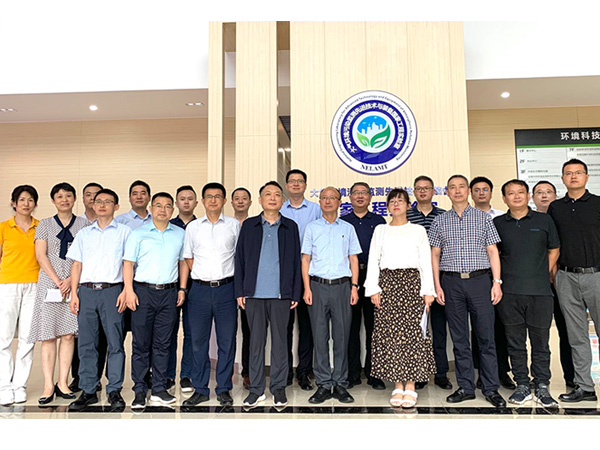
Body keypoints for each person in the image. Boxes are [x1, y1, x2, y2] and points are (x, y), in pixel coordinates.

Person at [429, 174, 506, 407]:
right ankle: (465, 387)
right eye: (452, 187)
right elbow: (435, 255)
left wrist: (497, 282)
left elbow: (493, 251)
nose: (457, 190)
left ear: (468, 190)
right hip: (451, 283)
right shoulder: (439, 221)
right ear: (447, 192)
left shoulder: (483, 218)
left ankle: (491, 388)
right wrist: (437, 285)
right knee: (460, 338)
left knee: (486, 337)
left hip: (480, 281)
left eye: (462, 186)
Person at [364, 188, 436, 408]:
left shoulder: (418, 230)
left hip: (412, 284)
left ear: (407, 205)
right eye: (392, 201)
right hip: (387, 285)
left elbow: (425, 261)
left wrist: (428, 291)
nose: (396, 204)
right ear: (387, 206)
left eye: (400, 201)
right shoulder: (381, 230)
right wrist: (373, 288)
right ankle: (397, 384)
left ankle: (411, 385)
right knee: (390, 335)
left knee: (413, 335)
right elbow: (374, 259)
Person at [494, 179, 560, 407]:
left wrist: (543, 272)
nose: (516, 196)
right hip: (509, 293)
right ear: (504, 198)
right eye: (511, 193)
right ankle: (522, 384)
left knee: (541, 342)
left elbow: (554, 249)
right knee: (515, 343)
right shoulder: (497, 223)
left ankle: (542, 385)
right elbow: (494, 255)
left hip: (540, 292)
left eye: (520, 192)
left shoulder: (544, 220)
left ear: (528, 195)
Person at [235, 181, 302, 408]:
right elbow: (239, 259)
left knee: (281, 343)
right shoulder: (249, 225)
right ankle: (256, 389)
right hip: (253, 294)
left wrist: (295, 292)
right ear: (260, 200)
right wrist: (240, 291)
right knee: (255, 343)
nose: (272, 198)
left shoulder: (290, 226)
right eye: (268, 194)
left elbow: (296, 262)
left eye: (277, 195)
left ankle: (278, 387)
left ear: (282, 201)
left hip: (282, 295)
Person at [67, 188, 131, 411]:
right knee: (86, 343)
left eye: (108, 201)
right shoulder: (84, 234)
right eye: (98, 201)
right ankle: (88, 389)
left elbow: (128, 264)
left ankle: (114, 389)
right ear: (93, 206)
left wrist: (126, 290)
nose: (102, 205)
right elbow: (77, 265)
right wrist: (74, 294)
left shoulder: (125, 232)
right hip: (86, 292)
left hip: (113, 291)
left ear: (116, 206)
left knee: (115, 343)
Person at [27, 183, 90, 405]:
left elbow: (85, 256)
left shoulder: (84, 225)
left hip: (74, 283)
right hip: (49, 283)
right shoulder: (44, 224)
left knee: (68, 334)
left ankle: (63, 383)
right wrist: (57, 281)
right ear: (53, 200)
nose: (64, 200)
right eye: (60, 196)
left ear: (74, 199)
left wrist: (70, 281)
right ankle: (48, 385)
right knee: (48, 335)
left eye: (68, 196)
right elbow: (41, 255)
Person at [123, 192, 187, 409]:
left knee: (163, 343)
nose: (163, 209)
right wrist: (129, 291)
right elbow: (128, 264)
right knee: (141, 344)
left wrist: (182, 288)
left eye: (167, 206)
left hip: (169, 293)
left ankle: (159, 388)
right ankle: (140, 390)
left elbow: (183, 263)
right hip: (143, 292)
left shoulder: (179, 234)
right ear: (151, 208)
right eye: (158, 205)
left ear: (172, 210)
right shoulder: (138, 234)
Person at [182, 182, 241, 407]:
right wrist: (204, 275)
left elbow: (239, 257)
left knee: (227, 341)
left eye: (218, 196)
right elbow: (188, 257)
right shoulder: (193, 227)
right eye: (209, 196)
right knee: (198, 341)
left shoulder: (234, 225)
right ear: (203, 201)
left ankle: (224, 388)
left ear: (224, 201)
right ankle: (200, 388)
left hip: (227, 289)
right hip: (199, 290)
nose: (213, 200)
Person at [302, 186, 361, 404]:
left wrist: (354, 287)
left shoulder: (348, 228)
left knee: (341, 337)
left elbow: (353, 259)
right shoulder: (311, 228)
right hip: (317, 286)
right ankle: (324, 384)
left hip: (342, 287)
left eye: (332, 198)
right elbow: (305, 259)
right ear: (320, 202)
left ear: (339, 202)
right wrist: (307, 288)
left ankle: (341, 383)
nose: (328, 201)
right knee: (319, 337)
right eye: (324, 198)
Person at [548, 159, 600, 402]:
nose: (573, 176)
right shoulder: (556, 208)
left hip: (597, 275)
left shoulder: (598, 203)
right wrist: (554, 273)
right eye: (568, 173)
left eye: (578, 172)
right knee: (576, 335)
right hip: (567, 277)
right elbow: (552, 244)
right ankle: (584, 387)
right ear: (562, 179)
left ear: (587, 177)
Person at [406, 175, 452, 391]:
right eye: (418, 188)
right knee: (417, 328)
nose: (423, 191)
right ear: (413, 192)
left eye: (427, 188)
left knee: (439, 328)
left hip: (440, 277)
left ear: (434, 191)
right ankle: (419, 372)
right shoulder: (405, 215)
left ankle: (441, 373)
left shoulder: (444, 215)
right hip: (413, 279)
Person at [470, 175, 514, 390]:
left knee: (500, 326)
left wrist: (498, 280)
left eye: (485, 189)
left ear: (491, 192)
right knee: (479, 328)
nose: (481, 193)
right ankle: (483, 373)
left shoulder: (501, 218)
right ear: (471, 194)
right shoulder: (466, 217)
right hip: (476, 278)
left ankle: (503, 372)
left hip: (498, 277)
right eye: (477, 190)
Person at [340, 182, 386, 390]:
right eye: (356, 193)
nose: (360, 196)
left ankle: (374, 373)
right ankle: (352, 373)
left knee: (374, 328)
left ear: (370, 197)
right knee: (350, 327)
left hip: (374, 277)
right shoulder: (343, 222)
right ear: (350, 197)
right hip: (348, 277)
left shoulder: (379, 221)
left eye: (364, 193)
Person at [281, 169, 321, 391]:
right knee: (284, 326)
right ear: (287, 185)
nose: (296, 184)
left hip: (309, 275)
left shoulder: (316, 209)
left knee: (307, 327)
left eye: (300, 181)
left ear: (305, 185)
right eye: (292, 181)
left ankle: (304, 372)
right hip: (284, 275)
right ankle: (285, 371)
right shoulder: (278, 209)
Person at [532, 180, 575, 389]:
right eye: (539, 192)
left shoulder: (563, 219)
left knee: (567, 330)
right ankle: (538, 377)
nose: (544, 195)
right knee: (537, 333)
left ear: (555, 196)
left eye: (548, 192)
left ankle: (572, 377)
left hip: (563, 281)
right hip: (536, 282)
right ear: (532, 198)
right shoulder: (530, 220)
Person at [0, 185, 40, 406]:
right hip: (7, 285)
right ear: (14, 203)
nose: (26, 203)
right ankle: (4, 387)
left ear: (35, 204)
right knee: (3, 338)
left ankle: (19, 386)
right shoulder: (3, 228)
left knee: (27, 338)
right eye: (22, 199)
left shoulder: (40, 227)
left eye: (30, 200)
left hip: (34, 285)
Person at [70, 182, 108, 394]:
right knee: (82, 337)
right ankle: (80, 378)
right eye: (89, 195)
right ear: (83, 199)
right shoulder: (80, 226)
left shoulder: (116, 227)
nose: (94, 199)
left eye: (98, 196)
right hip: (84, 288)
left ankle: (97, 378)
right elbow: (76, 262)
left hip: (108, 289)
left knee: (103, 338)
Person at [166, 185, 197, 394]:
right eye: (182, 199)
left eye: (190, 198)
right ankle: (168, 374)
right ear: (176, 203)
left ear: (196, 202)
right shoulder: (167, 226)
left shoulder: (201, 226)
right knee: (168, 332)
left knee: (191, 332)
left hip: (195, 285)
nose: (186, 202)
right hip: (169, 285)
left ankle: (187, 374)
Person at [231, 187, 253, 389]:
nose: (240, 201)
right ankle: (227, 370)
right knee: (228, 330)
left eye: (244, 198)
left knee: (249, 330)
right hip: (228, 282)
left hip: (248, 284)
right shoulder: (226, 225)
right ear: (231, 203)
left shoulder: (256, 225)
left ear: (251, 202)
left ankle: (248, 371)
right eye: (236, 198)